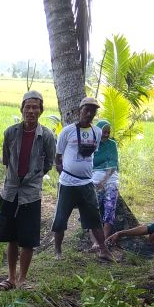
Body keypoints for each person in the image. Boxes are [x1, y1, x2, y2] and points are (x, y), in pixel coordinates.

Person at [0, 90, 55, 291]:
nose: (31, 111)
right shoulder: (11, 132)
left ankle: (22, 279)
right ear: (22, 109)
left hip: (31, 194)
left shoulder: (46, 136)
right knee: (12, 237)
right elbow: (6, 159)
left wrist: (32, 176)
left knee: (27, 240)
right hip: (11, 190)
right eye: (27, 107)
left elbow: (49, 163)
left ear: (41, 110)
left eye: (35, 107)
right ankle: (11, 277)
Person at [51, 96, 112, 261]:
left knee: (94, 218)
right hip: (68, 183)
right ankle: (57, 251)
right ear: (80, 111)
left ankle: (104, 250)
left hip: (87, 183)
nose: (90, 113)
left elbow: (91, 154)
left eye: (93, 110)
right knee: (61, 218)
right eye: (87, 109)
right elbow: (58, 157)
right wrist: (64, 174)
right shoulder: (67, 131)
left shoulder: (97, 132)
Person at [91, 119, 119, 238]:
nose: (107, 134)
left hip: (110, 179)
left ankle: (105, 239)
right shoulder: (92, 144)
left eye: (108, 132)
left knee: (109, 208)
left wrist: (103, 181)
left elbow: (113, 165)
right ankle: (95, 241)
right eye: (104, 132)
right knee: (92, 209)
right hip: (94, 179)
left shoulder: (112, 144)